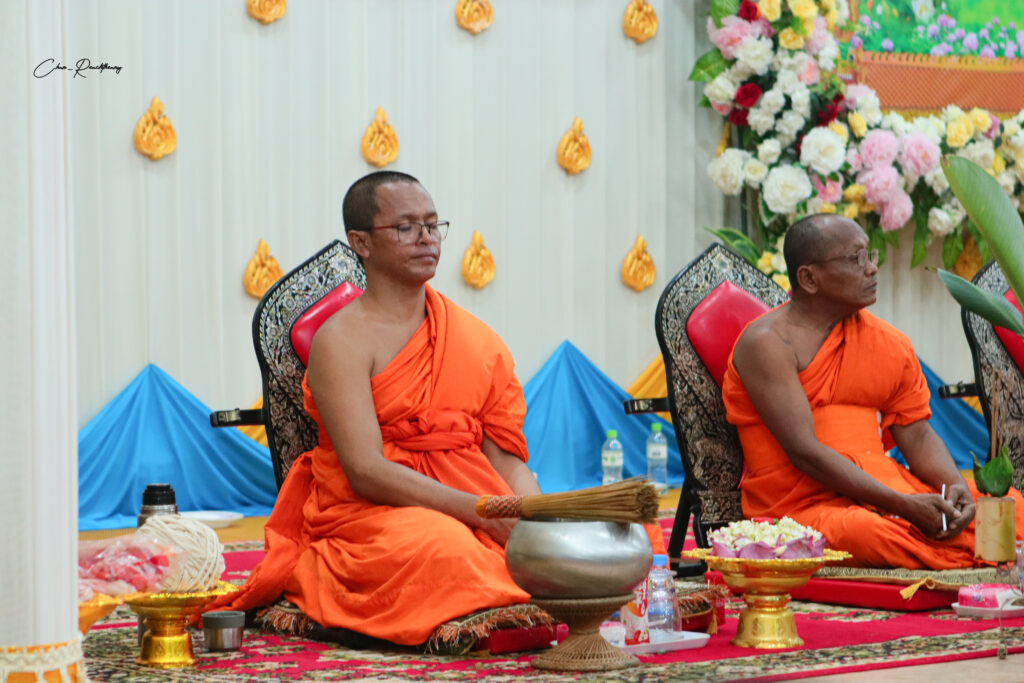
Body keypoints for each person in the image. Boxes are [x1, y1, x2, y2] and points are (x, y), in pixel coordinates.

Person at [209, 171, 547, 649]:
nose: (426, 238)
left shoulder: (475, 339)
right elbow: (366, 471)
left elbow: (505, 459)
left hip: (475, 501)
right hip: (371, 512)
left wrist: (530, 513)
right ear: (361, 242)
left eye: (432, 224)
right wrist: (478, 513)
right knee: (446, 547)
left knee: (570, 541)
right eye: (406, 227)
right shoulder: (341, 341)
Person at [721, 214, 1024, 569]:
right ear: (808, 278)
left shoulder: (887, 343)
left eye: (869, 255)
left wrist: (953, 487)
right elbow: (805, 452)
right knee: (869, 533)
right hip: (801, 507)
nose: (871, 269)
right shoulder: (767, 344)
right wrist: (901, 505)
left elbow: (918, 434)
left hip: (886, 488)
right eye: (855, 259)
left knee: (1011, 507)